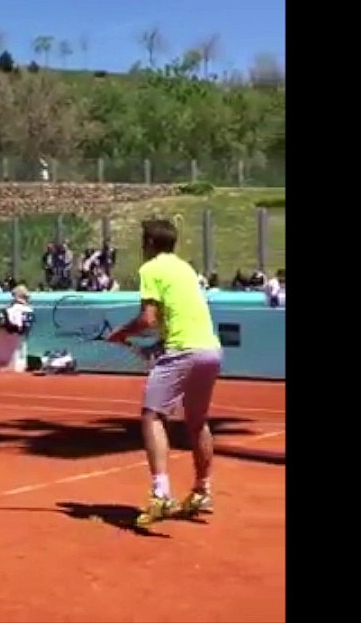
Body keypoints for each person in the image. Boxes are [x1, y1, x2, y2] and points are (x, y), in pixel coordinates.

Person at [107, 218, 222, 528]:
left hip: (183, 350)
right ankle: (202, 490)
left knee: (152, 415)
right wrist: (156, 346)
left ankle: (161, 495)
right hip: (209, 350)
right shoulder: (185, 269)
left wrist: (121, 332)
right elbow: (180, 317)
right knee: (197, 421)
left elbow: (148, 318)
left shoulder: (151, 270)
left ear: (149, 243)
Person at [0, 285, 35, 372]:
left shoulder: (4, 311)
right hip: (15, 359)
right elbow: (23, 330)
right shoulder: (29, 311)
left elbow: (0, 322)